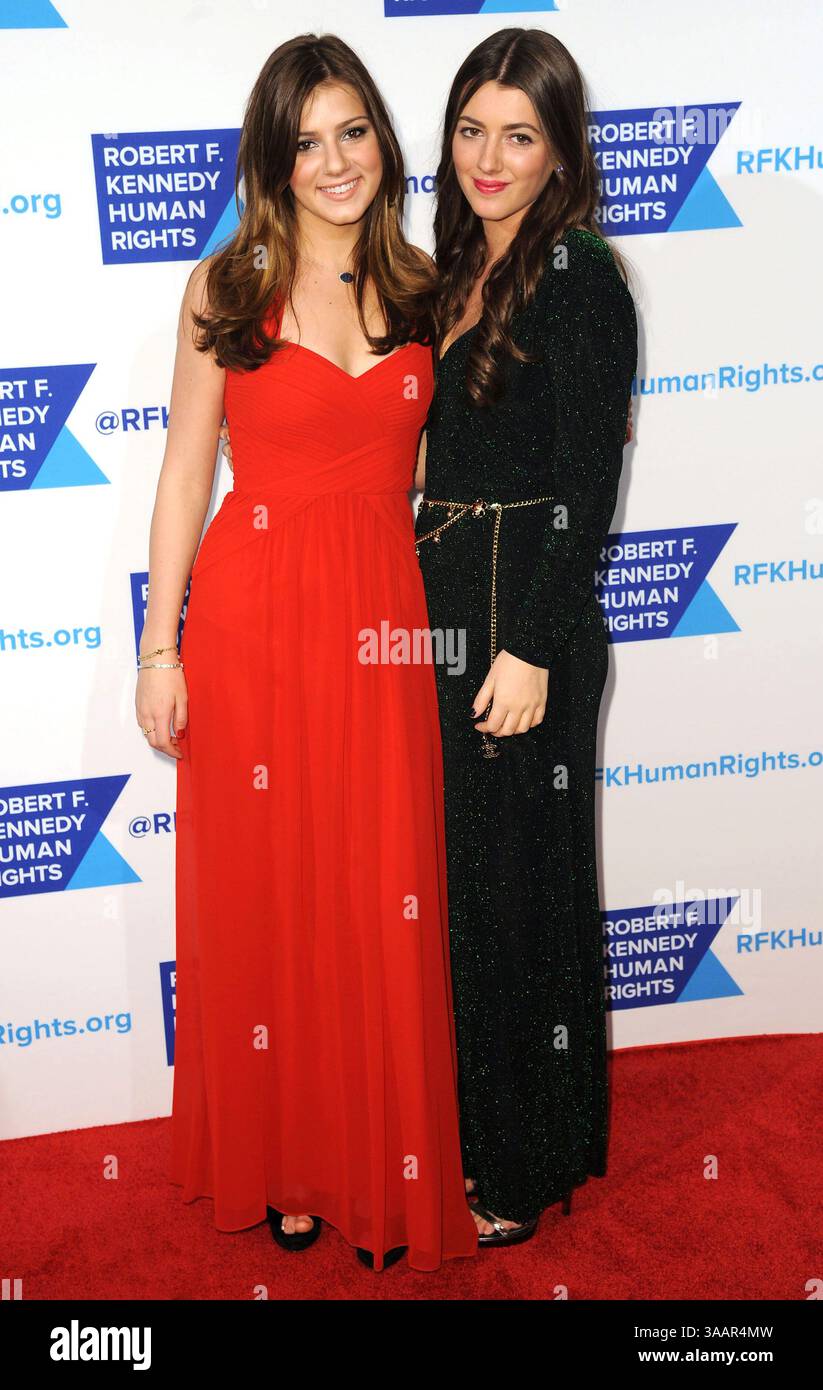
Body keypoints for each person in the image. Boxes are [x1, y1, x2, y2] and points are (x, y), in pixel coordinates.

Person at [136, 34, 478, 1273]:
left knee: (376, 897)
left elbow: (441, 483)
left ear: (382, 140)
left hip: (383, 631)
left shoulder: (431, 286)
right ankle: (284, 1164)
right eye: (305, 140)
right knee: (275, 902)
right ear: (270, 158)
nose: (334, 161)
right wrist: (158, 649)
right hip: (253, 623)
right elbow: (184, 471)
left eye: (352, 132)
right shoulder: (226, 288)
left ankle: (380, 1167)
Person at [413, 27, 638, 1244]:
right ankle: (475, 1125)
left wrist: (535, 648)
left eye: (518, 135)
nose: (488, 158)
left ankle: (517, 1161)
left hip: (524, 617)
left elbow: (585, 488)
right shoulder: (451, 265)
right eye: (469, 130)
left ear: (559, 152)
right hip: (445, 609)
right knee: (462, 891)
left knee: (516, 897)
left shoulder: (581, 274)